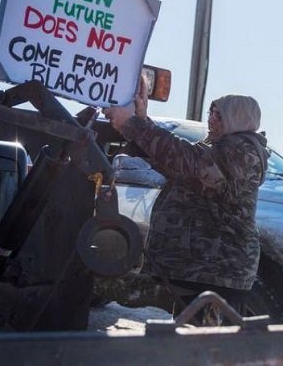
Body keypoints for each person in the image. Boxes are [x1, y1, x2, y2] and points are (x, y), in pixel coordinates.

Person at [104, 78, 269, 314]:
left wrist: (133, 125)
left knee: (206, 346)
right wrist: (141, 121)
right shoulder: (221, 148)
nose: (211, 119)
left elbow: (188, 161)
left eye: (219, 115)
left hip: (215, 273)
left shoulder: (244, 153)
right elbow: (175, 162)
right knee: (190, 344)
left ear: (238, 119)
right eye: (211, 113)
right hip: (198, 271)